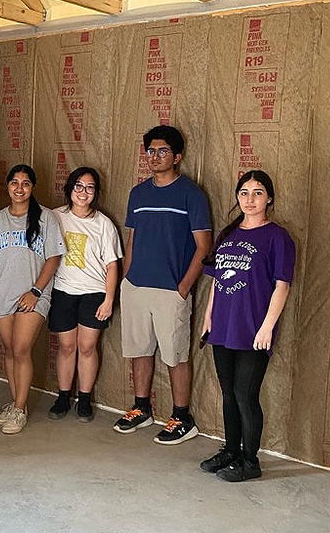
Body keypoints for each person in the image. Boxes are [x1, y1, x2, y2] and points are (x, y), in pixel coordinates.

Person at [114, 125, 212, 444]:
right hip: (136, 285)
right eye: (150, 151)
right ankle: (141, 408)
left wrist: (183, 287)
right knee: (139, 350)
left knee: (176, 355)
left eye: (163, 151)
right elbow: (132, 241)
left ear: (178, 157)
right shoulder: (138, 193)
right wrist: (126, 281)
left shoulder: (191, 194)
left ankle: (182, 417)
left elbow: (203, 247)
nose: (155, 157)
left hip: (171, 290)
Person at [199, 170, 294, 481]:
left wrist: (267, 327)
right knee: (228, 393)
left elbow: (282, 286)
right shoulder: (228, 235)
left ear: (269, 198)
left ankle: (250, 462)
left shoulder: (278, 238)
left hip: (253, 329)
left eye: (257, 192)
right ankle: (230, 451)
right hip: (223, 327)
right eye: (244, 192)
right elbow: (216, 281)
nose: (250, 199)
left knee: (245, 395)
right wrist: (208, 317)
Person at [0, 165, 64, 434]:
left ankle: (19, 408)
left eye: (26, 183)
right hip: (1, 292)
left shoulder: (46, 218)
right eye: (14, 183)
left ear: (33, 187)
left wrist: (36, 291)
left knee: (21, 349)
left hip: (33, 294)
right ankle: (16, 402)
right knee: (8, 350)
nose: (19, 188)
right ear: (7, 186)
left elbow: (53, 257)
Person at [48, 167, 122, 423]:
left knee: (87, 346)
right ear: (69, 188)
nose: (83, 192)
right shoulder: (54, 217)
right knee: (66, 346)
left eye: (89, 187)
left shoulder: (104, 224)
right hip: (63, 291)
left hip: (94, 293)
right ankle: (62, 396)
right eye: (78, 186)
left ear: (96, 193)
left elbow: (113, 265)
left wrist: (109, 299)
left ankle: (85, 397)